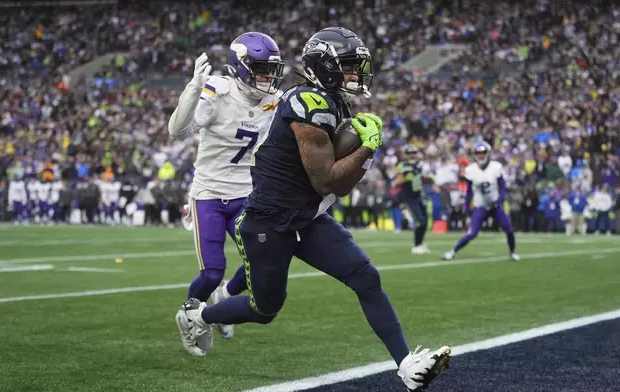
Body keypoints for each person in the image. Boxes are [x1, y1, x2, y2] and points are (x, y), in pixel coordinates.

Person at [175, 27, 451, 391]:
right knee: (264, 310)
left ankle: (406, 366)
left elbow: (341, 187)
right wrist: (366, 148)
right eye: (349, 67)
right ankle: (199, 316)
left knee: (366, 277)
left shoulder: (333, 102)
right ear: (325, 68)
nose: (356, 75)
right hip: (269, 223)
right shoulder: (308, 103)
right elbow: (326, 180)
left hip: (307, 217)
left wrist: (363, 153)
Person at [169, 32, 284, 349]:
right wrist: (194, 90)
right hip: (208, 193)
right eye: (261, 68)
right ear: (242, 66)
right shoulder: (218, 90)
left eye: (270, 69)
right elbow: (176, 130)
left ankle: (226, 296)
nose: (268, 76)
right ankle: (189, 316)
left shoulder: (274, 100)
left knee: (265, 260)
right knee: (211, 272)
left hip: (246, 193)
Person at [443, 142, 519, 261]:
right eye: (478, 153)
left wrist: (498, 200)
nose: (480, 156)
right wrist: (467, 208)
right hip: (481, 205)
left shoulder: (495, 167)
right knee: (472, 233)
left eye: (483, 153)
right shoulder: (471, 169)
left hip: (495, 205)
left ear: (487, 154)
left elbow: (503, 188)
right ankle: (452, 251)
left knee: (508, 229)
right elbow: (469, 192)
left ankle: (512, 252)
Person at [392, 145, 430, 254]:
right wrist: (405, 177)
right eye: (409, 153)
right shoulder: (402, 165)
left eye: (413, 152)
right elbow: (397, 181)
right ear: (406, 154)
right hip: (408, 197)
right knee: (420, 221)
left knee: (425, 221)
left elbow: (424, 178)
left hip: (418, 195)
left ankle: (420, 243)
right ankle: (417, 246)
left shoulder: (420, 165)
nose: (411, 155)